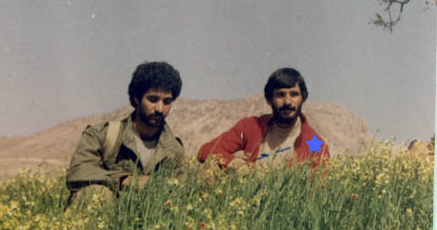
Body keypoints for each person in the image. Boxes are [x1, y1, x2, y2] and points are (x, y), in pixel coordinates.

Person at [66, 61, 184, 207]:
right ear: (137, 98)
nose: (160, 108)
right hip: (106, 215)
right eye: (153, 100)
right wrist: (124, 180)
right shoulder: (102, 135)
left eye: (167, 102)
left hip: (146, 218)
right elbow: (77, 172)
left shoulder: (174, 150)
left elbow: (181, 191)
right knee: (96, 193)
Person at [197, 67, 330, 172]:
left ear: (303, 98)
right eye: (280, 95)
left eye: (294, 95)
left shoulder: (317, 146)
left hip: (289, 199)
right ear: (269, 99)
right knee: (208, 168)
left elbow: (319, 189)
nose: (288, 102)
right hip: (248, 194)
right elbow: (206, 150)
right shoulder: (252, 126)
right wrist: (235, 164)